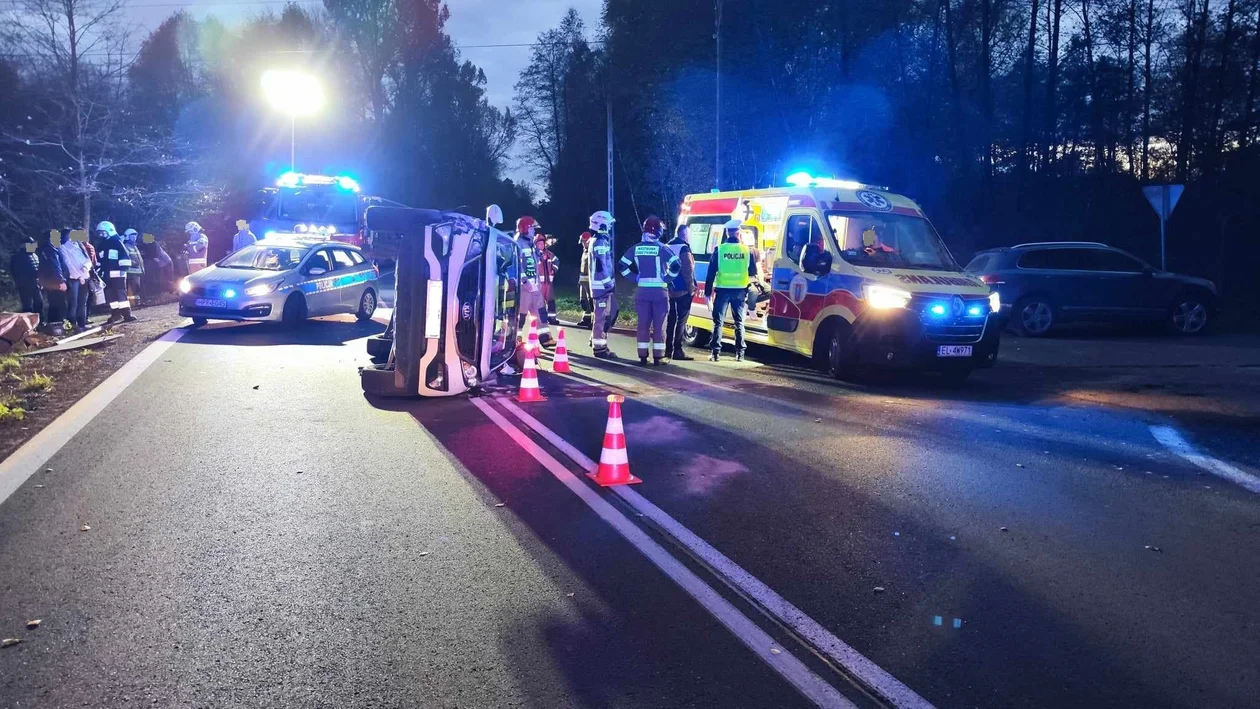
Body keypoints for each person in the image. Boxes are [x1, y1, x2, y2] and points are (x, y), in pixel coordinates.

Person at [619, 215, 681, 366]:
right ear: (659, 232)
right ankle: (658, 357)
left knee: (643, 325)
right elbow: (676, 265)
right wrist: (667, 278)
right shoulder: (662, 248)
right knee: (660, 326)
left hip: (642, 292)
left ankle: (642, 356)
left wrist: (635, 278)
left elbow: (622, 266)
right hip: (660, 292)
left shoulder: (636, 248)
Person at [704, 218, 759, 362]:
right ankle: (740, 353)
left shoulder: (720, 250)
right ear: (738, 233)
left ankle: (715, 353)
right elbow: (752, 272)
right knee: (739, 322)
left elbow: (710, 273)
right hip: (740, 291)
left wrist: (707, 292)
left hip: (722, 290)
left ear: (727, 233)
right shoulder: (747, 251)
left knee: (718, 322)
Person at [514, 216, 553, 346]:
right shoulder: (518, 243)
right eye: (532, 229)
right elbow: (516, 266)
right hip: (524, 288)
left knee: (541, 312)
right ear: (525, 228)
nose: (533, 232)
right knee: (521, 316)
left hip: (535, 287)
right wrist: (525, 282)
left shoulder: (530, 243)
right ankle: (515, 339)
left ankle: (545, 339)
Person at [664, 223, 697, 361]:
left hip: (669, 288)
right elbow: (687, 269)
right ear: (684, 235)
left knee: (670, 320)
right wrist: (691, 288)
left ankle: (667, 350)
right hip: (683, 290)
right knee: (681, 320)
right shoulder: (684, 248)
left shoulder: (666, 246)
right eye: (688, 234)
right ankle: (677, 350)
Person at [587, 210, 617, 359]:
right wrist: (608, 284)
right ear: (602, 224)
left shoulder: (596, 240)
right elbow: (600, 266)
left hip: (599, 287)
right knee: (601, 318)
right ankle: (599, 349)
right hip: (601, 288)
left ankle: (595, 340)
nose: (610, 227)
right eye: (609, 224)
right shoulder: (600, 242)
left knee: (602, 316)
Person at [97, 221, 136, 325]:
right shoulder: (102, 245)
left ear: (109, 230)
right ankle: (115, 314)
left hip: (118, 274)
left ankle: (127, 314)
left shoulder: (116, 242)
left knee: (120, 295)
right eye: (100, 233)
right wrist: (99, 271)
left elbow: (124, 257)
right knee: (110, 295)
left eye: (103, 232)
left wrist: (123, 269)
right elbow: (99, 260)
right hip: (107, 275)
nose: (101, 234)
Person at [36, 229, 69, 336]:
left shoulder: (46, 249)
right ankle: (56, 328)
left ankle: (54, 327)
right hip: (55, 283)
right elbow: (55, 266)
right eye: (57, 236)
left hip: (50, 282)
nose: (59, 238)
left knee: (54, 304)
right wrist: (60, 281)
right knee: (59, 305)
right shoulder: (50, 250)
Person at [59, 228, 94, 331]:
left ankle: (82, 323)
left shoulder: (80, 245)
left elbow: (88, 260)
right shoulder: (63, 247)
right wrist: (79, 276)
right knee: (73, 302)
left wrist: (86, 268)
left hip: (85, 276)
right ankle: (72, 325)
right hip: (74, 278)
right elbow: (68, 264)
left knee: (83, 302)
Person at [10, 235, 42, 315]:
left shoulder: (35, 255)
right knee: (28, 306)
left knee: (39, 303)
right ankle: (28, 325)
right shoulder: (17, 257)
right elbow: (15, 271)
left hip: (36, 284)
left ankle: (41, 323)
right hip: (25, 284)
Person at [534, 232, 559, 325]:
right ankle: (542, 319)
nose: (541, 245)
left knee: (551, 301)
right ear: (535, 244)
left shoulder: (549, 254)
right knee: (540, 303)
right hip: (539, 284)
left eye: (542, 243)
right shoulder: (534, 255)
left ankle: (552, 318)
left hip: (548, 283)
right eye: (539, 243)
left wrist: (553, 269)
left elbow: (556, 261)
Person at [123, 229, 146, 306]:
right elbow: (126, 258)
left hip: (137, 271)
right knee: (133, 287)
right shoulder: (126, 246)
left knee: (137, 287)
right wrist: (134, 263)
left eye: (135, 236)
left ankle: (136, 303)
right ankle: (132, 304)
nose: (134, 238)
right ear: (127, 237)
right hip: (131, 271)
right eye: (132, 236)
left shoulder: (134, 246)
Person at [577, 230, 594, 327]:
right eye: (582, 242)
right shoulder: (584, 252)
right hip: (583, 282)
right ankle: (586, 318)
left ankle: (593, 320)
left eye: (584, 242)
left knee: (591, 302)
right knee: (583, 301)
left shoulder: (592, 252)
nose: (583, 244)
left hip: (590, 282)